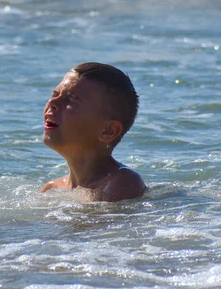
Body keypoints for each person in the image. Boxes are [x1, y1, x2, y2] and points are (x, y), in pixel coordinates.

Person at [39, 62, 146, 202]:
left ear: (108, 131)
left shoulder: (123, 182)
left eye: (72, 99)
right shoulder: (52, 189)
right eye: (55, 94)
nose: (52, 102)